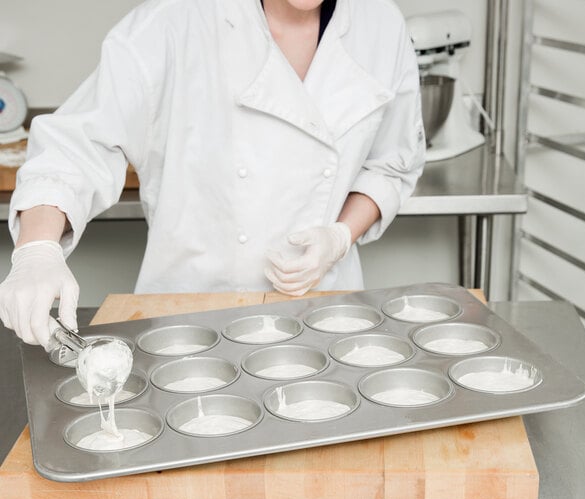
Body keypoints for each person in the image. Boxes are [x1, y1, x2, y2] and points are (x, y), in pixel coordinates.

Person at [0, 0, 425, 350]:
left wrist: (339, 238)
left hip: (326, 318)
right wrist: (38, 250)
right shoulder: (174, 21)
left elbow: (390, 164)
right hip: (186, 324)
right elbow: (75, 146)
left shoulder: (381, 26)